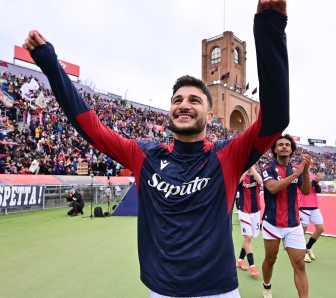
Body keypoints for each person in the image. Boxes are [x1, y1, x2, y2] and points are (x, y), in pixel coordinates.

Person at [22, 1, 290, 296]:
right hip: (162, 291)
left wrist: (270, 26)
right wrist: (49, 62)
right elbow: (92, 129)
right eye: (178, 100)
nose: (184, 105)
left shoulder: (227, 156)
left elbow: (276, 117)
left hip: (217, 291)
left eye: (194, 100)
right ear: (170, 111)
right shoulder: (145, 156)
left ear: (210, 117)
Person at [261, 134, 310, 298]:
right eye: (280, 144)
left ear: (291, 149)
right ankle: (266, 286)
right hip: (272, 223)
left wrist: (306, 170)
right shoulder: (267, 168)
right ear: (275, 149)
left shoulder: (297, 168)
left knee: (300, 264)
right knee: (270, 259)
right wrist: (296, 174)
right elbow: (273, 188)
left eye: (287, 145)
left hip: (293, 224)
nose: (284, 147)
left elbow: (306, 191)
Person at [235, 166, 263, 277]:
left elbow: (260, 181)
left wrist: (253, 169)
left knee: (248, 237)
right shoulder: (242, 176)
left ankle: (240, 260)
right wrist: (246, 169)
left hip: (256, 211)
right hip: (244, 211)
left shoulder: (256, 177)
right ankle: (252, 266)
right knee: (248, 238)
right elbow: (238, 181)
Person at [297, 159, 325, 263]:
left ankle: (308, 246)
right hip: (303, 206)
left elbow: (317, 191)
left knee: (320, 228)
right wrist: (314, 182)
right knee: (303, 230)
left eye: (311, 164)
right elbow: (305, 189)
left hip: (314, 206)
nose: (309, 165)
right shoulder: (300, 174)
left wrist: (317, 182)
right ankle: (303, 252)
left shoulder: (312, 175)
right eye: (308, 163)